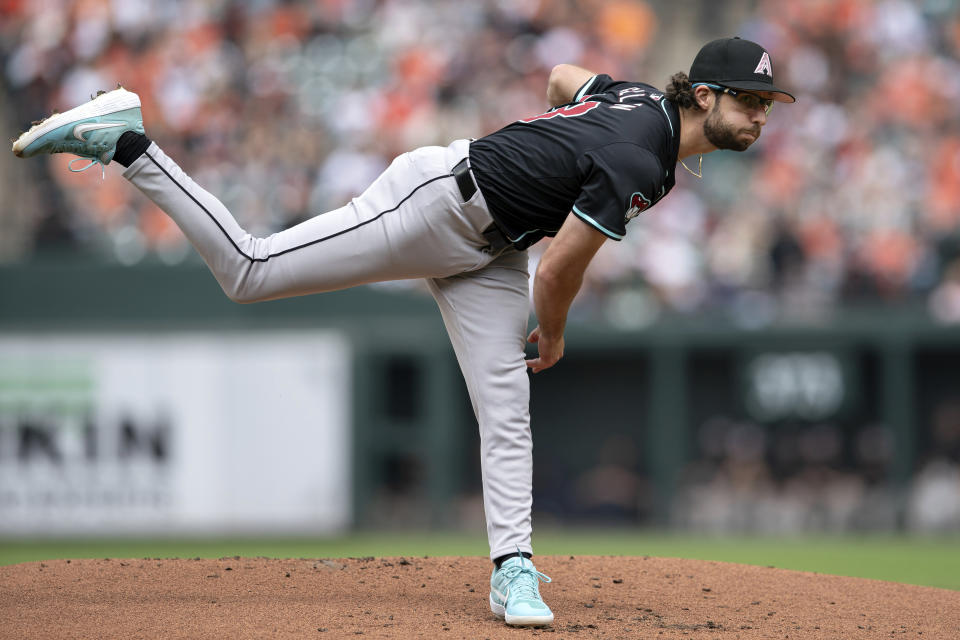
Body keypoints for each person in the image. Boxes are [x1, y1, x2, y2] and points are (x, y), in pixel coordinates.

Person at [12, 36, 794, 627]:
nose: (761, 115)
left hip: (493, 249)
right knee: (248, 271)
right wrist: (551, 333)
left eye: (766, 104)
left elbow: (564, 80)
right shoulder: (639, 151)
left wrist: (545, 145)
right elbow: (559, 276)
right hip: (437, 205)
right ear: (701, 96)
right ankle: (128, 142)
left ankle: (513, 570)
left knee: (506, 409)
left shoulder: (634, 105)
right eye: (749, 100)